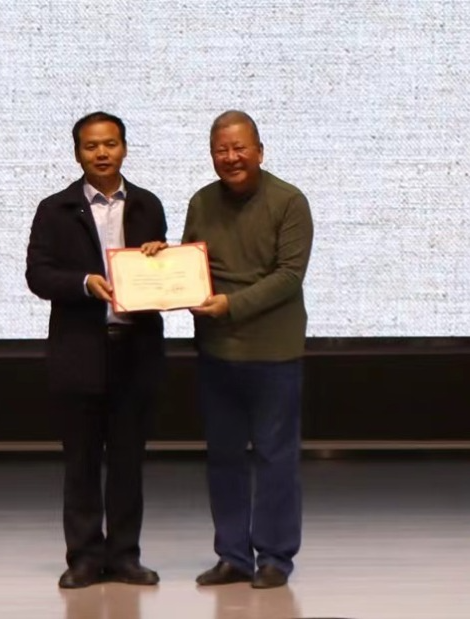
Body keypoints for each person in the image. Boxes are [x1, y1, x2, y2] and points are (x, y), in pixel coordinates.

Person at [26, 111, 168, 589]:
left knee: (128, 463)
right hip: (80, 351)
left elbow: (162, 273)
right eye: (91, 146)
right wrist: (85, 283)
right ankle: (84, 558)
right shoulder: (56, 208)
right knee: (82, 463)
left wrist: (161, 261)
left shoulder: (147, 204)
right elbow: (38, 275)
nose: (102, 153)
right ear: (77, 153)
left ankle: (125, 556)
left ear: (124, 148)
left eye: (110, 144)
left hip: (136, 350)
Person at [183, 110, 314, 589]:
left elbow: (289, 276)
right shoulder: (202, 201)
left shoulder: (289, 201)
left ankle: (275, 557)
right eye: (221, 150)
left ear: (260, 150)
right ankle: (233, 555)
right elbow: (190, 265)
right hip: (217, 350)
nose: (231, 157)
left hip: (274, 352)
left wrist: (231, 305)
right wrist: (159, 262)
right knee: (224, 458)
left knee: (276, 458)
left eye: (240, 148)